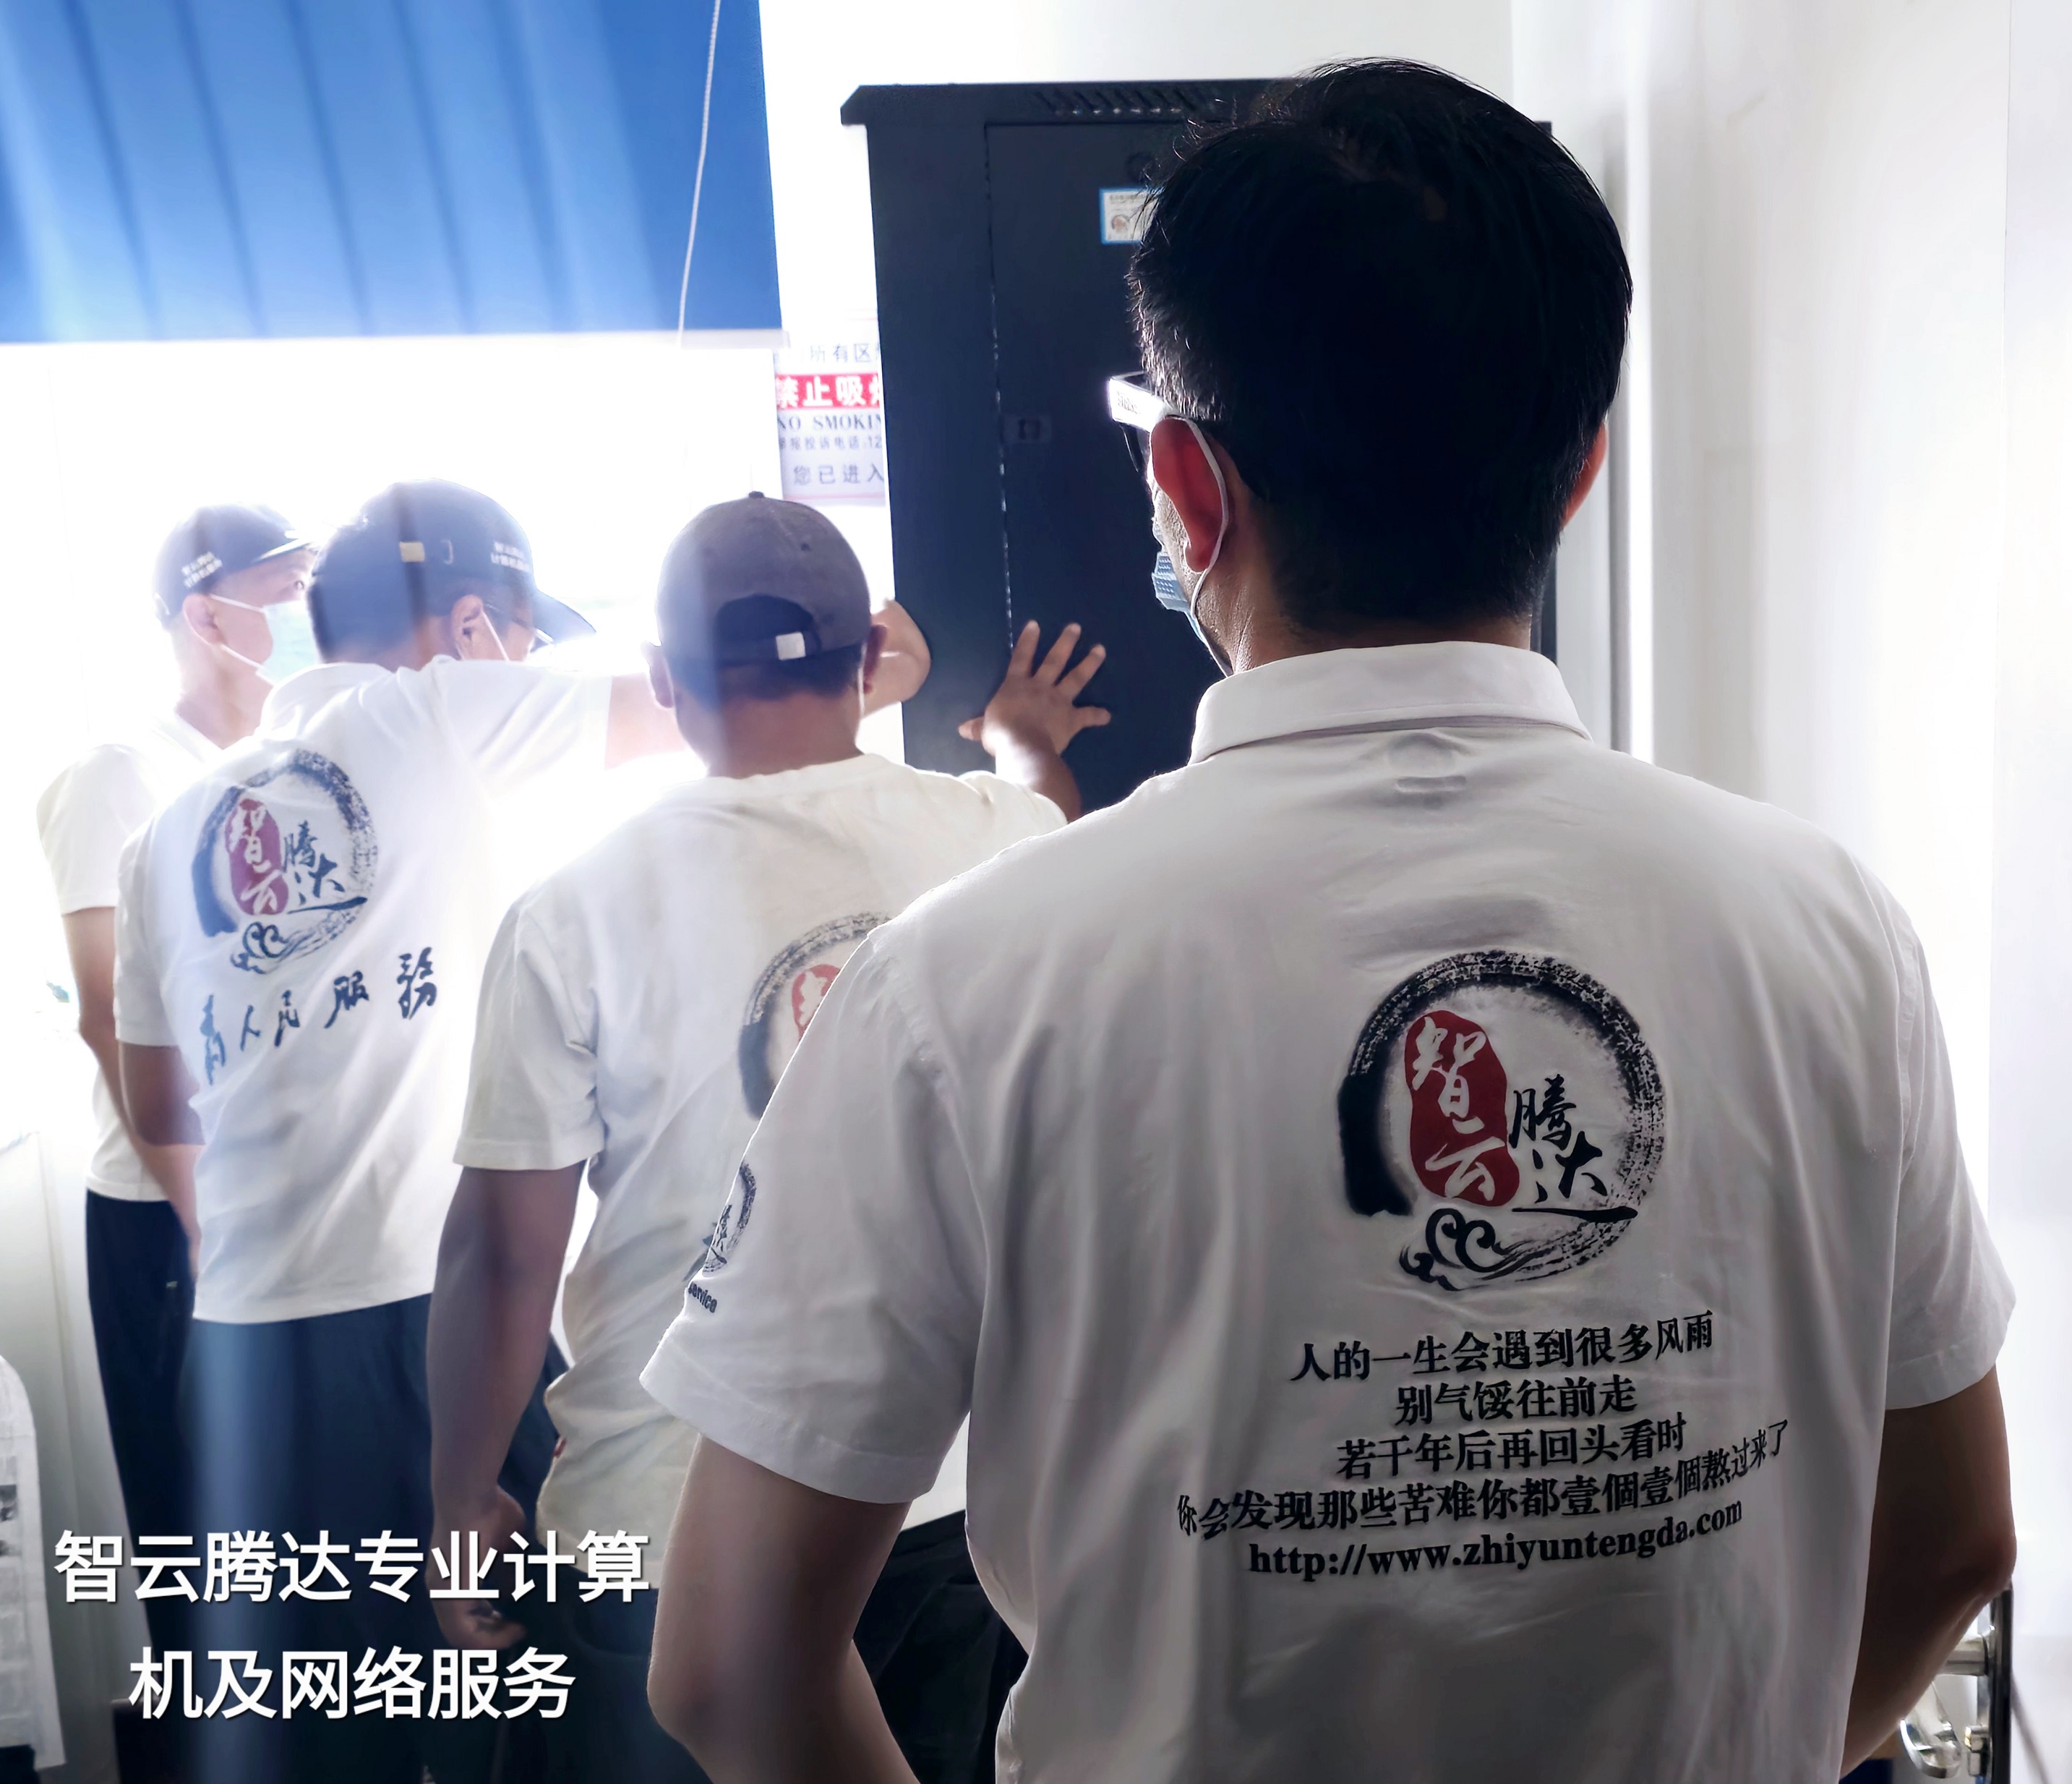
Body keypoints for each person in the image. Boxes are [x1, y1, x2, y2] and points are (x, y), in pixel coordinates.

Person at [638, 62, 2016, 1784]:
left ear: (1184, 488)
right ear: (1577, 470)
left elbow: (728, 1666)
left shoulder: (961, 986)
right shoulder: (1828, 934)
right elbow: (1955, 1538)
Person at [423, 492, 1107, 1784]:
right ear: (869, 659)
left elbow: (505, 1254)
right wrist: (1023, 743)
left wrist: (463, 1492)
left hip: (668, 1513)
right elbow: (1044, 815)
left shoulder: (572, 911)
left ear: (663, 679)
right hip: (941, 1498)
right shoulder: (1004, 839)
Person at [113, 479, 685, 1784]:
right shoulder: (439, 713)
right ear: (473, 626)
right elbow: (711, 702)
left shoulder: (166, 832)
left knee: (321, 1725)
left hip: (241, 1351)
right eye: (519, 640)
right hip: (431, 1326)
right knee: (523, 1698)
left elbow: (157, 1105)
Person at [35, 504, 313, 1649]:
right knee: (200, 1534)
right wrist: (207, 1220)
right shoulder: (122, 774)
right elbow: (107, 1014)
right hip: (172, 1211)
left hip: (282, 1203)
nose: (309, 611)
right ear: (209, 614)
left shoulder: (294, 769)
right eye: (287, 590)